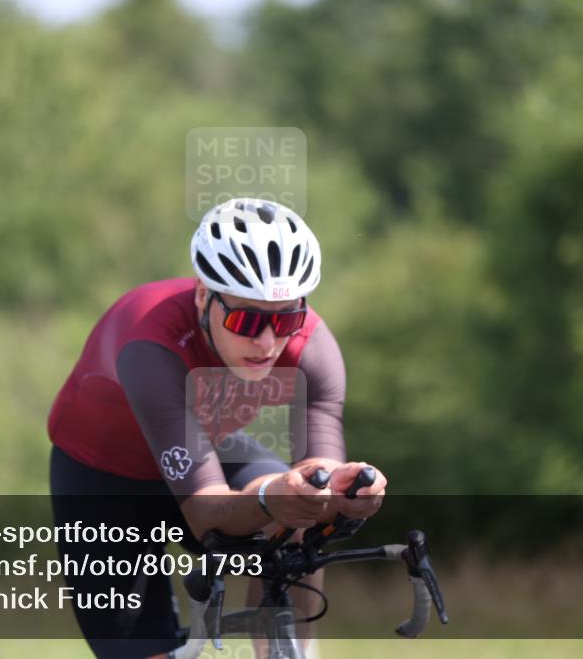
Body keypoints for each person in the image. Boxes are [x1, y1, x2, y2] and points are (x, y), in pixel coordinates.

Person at [47, 198, 387, 659]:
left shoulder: (312, 348)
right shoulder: (151, 343)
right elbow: (205, 512)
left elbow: (318, 470)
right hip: (105, 474)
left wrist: (342, 494)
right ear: (204, 297)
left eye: (285, 318)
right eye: (246, 319)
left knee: (301, 521)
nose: (267, 342)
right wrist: (273, 495)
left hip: (206, 445)